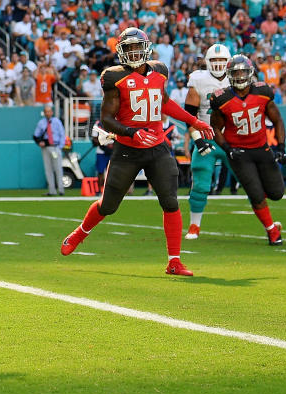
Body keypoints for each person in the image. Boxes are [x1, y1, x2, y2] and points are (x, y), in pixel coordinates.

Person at [60, 28, 215, 276]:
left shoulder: (160, 71)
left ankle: (174, 261)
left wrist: (193, 121)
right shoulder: (114, 77)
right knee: (108, 205)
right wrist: (132, 133)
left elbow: (164, 102)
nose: (133, 52)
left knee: (170, 202)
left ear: (146, 47)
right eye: (128, 48)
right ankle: (80, 233)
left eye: (136, 47)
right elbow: (107, 120)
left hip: (157, 147)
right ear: (121, 51)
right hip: (128, 150)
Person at [210, 55, 286, 245]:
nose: (240, 75)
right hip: (239, 153)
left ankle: (260, 199)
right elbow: (216, 129)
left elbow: (277, 120)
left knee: (277, 193)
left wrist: (281, 146)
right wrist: (227, 148)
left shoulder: (263, 91)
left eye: (243, 71)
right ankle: (272, 231)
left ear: (250, 72)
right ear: (229, 75)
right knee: (256, 194)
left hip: (261, 148)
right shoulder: (222, 98)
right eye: (236, 72)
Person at [184, 44, 232, 239]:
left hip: (232, 137)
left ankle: (269, 226)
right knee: (201, 183)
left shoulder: (237, 76)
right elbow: (189, 115)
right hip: (207, 137)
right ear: (207, 62)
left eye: (222, 60)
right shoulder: (198, 79)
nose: (218, 64)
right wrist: (197, 140)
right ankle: (194, 226)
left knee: (252, 181)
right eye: (214, 60)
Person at [33, 103, 66, 196]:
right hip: (46, 148)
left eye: (49, 111)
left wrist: (60, 147)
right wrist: (40, 142)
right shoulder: (41, 123)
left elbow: (62, 134)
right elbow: (36, 135)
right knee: (48, 169)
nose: (48, 113)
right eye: (46, 112)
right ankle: (52, 190)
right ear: (44, 113)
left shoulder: (57, 121)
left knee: (58, 168)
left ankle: (61, 189)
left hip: (55, 146)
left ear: (52, 112)